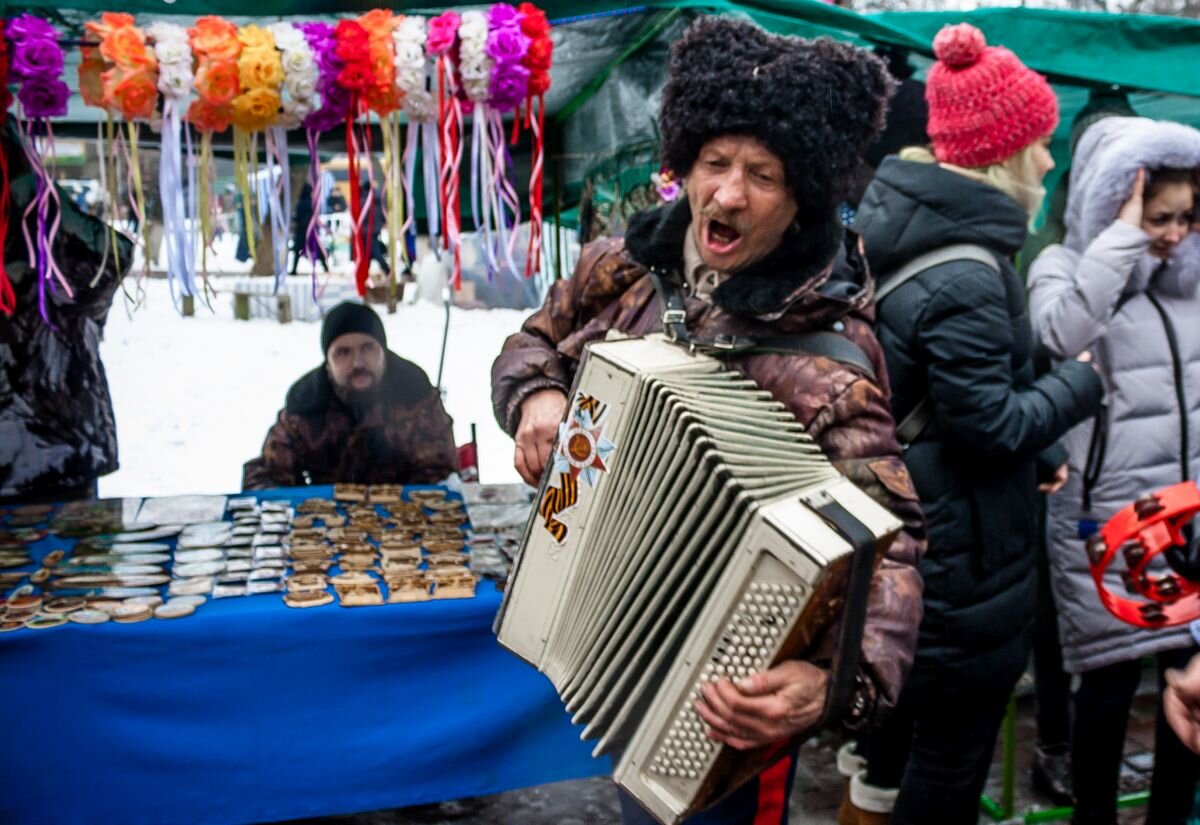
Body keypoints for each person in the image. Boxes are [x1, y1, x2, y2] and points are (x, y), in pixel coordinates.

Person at [491, 17, 926, 825]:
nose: (728, 193)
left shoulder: (832, 358)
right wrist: (537, 396)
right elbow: (532, 341)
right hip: (599, 620)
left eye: (762, 174)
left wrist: (832, 683)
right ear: (684, 166)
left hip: (724, 687)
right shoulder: (619, 267)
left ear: (800, 199)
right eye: (715, 163)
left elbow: (892, 543)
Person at [847, 24, 1104, 825]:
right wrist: (1079, 385)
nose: (1052, 162)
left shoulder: (912, 232)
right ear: (1004, 152)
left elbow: (961, 388)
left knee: (906, 750)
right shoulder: (968, 270)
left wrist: (1045, 443)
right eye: (1042, 145)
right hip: (959, 563)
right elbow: (986, 424)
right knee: (950, 763)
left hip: (920, 537)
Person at [1027, 116, 1200, 825]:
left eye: (1189, 216)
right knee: (1106, 684)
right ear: (1112, 203)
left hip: (1187, 514)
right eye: (1160, 216)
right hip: (1108, 517)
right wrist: (1122, 238)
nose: (1176, 233)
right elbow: (1062, 334)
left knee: (1185, 688)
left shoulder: (1192, 282)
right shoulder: (1062, 269)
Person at [0, 124, 132, 504]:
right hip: (60, 452)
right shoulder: (45, 236)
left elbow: (108, 260)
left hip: (56, 456)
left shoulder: (43, 239)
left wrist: (35, 196)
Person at [242, 301, 458, 490]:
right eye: (343, 353)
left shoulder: (414, 393)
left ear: (384, 351)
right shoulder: (306, 404)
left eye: (368, 349)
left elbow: (440, 472)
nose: (358, 363)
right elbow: (267, 475)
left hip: (406, 520)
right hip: (325, 522)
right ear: (328, 362)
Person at [289, 182, 329, 275]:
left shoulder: (300, 203)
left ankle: (294, 269)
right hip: (310, 231)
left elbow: (298, 217)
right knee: (317, 250)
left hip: (302, 230)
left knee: (297, 251)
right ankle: (325, 267)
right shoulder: (311, 203)